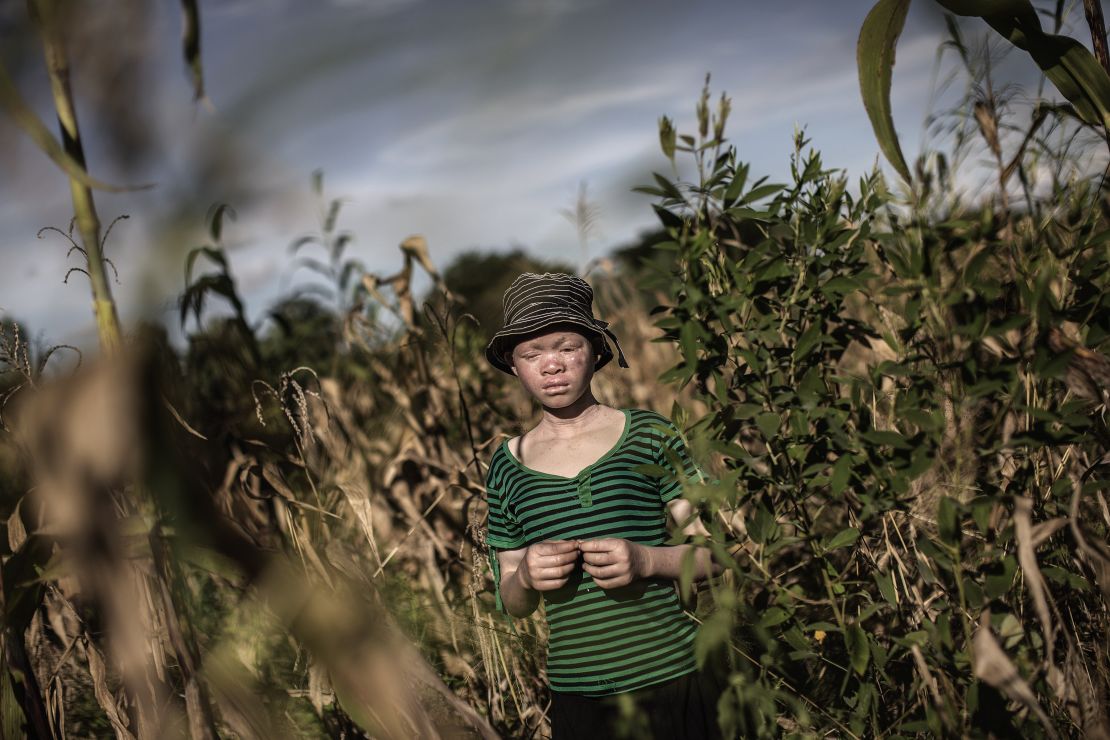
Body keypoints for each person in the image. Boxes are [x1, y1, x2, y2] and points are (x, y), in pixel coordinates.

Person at [482, 272, 723, 740]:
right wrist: (528, 576)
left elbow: (717, 553)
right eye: (532, 354)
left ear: (595, 350)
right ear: (514, 366)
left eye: (566, 346)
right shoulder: (507, 466)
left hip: (676, 677)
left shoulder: (650, 435)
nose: (551, 365)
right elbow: (511, 601)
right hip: (580, 698)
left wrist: (647, 559)